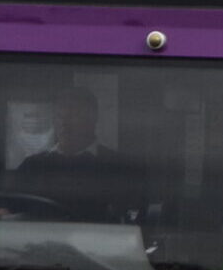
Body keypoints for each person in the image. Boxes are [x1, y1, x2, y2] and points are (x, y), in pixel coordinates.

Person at [8, 87, 141, 221]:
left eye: (73, 116)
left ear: (93, 118)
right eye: (60, 117)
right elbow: (7, 209)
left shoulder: (120, 168)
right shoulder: (31, 166)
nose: (64, 124)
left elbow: (133, 217)